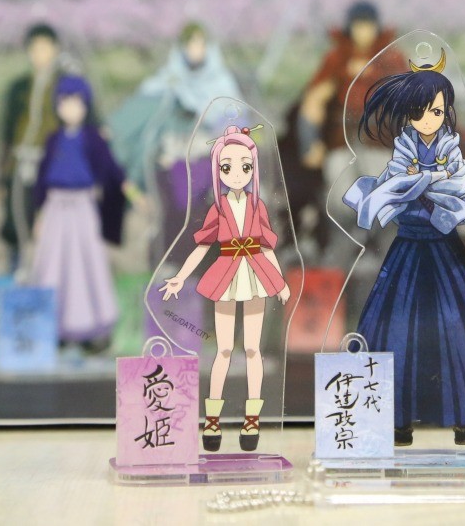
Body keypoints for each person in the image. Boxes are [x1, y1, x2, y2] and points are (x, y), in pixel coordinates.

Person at [343, 52, 465, 446]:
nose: (427, 119)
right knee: (396, 328)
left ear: (446, 112)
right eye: (419, 111)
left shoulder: (451, 145)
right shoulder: (403, 146)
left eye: (436, 111)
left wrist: (424, 180)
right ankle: (398, 418)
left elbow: (456, 182)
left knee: (456, 327)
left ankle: (462, 419)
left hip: (443, 248)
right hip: (408, 246)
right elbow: (396, 180)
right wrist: (423, 181)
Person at [160, 125, 291, 452]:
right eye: (227, 167)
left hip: (256, 274)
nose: (236, 174)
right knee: (223, 349)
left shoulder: (258, 206)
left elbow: (267, 247)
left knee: (252, 349)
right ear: (218, 169)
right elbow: (202, 247)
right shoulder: (217, 208)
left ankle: (252, 419)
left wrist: (280, 282)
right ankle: (212, 419)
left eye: (245, 167)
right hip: (226, 274)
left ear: (253, 169)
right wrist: (180, 276)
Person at [109, 22, 242, 267]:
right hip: (169, 169)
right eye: (190, 44)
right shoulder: (168, 83)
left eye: (201, 44)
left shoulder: (222, 85)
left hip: (207, 168)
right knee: (172, 218)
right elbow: (146, 130)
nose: (195, 50)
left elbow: (234, 126)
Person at [30, 75, 137, 352]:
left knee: (86, 266)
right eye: (65, 102)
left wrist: (131, 190)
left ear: (86, 105)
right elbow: (41, 180)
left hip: (82, 207)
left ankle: (91, 330)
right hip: (55, 208)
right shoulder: (53, 140)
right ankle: (54, 328)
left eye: (76, 102)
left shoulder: (93, 138)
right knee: (53, 266)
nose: (71, 108)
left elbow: (111, 168)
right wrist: (39, 214)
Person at [298, 1, 401, 270]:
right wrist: (310, 140)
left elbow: (412, 101)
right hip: (342, 142)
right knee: (340, 202)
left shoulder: (391, 59)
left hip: (380, 144)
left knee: (386, 201)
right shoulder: (337, 59)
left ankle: (388, 262)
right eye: (358, 26)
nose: (363, 32)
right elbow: (314, 100)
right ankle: (340, 263)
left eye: (368, 26)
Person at [0, 23, 63, 264]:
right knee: (17, 222)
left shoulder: (64, 86)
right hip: (21, 163)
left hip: (53, 164)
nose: (40, 55)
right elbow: (7, 132)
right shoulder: (19, 88)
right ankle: (17, 272)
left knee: (53, 224)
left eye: (45, 48)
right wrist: (3, 174)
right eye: (35, 49)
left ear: (56, 50)